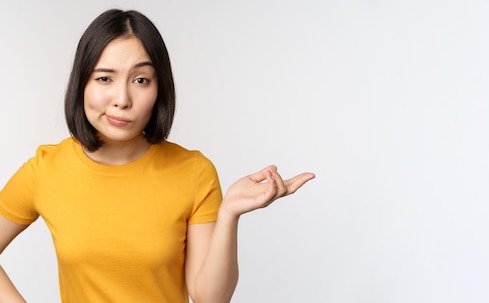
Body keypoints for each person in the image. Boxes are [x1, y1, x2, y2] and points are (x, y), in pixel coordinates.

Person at [0, 9, 314, 303]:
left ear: (159, 88)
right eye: (104, 78)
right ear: (81, 83)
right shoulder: (46, 170)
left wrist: (230, 213)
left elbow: (209, 298)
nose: (122, 99)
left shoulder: (194, 171)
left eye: (140, 80)